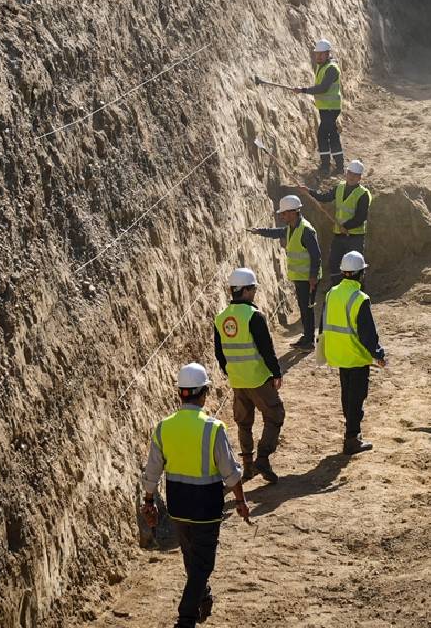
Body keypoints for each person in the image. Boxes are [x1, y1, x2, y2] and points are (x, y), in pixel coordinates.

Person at [141, 363, 251, 628]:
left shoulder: (163, 427)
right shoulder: (214, 429)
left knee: (192, 560)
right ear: (203, 394)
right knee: (202, 566)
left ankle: (203, 596)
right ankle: (186, 618)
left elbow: (152, 470)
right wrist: (241, 501)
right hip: (206, 510)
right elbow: (231, 472)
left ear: (181, 394)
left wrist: (148, 502)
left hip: (178, 507)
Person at [213, 268, 285, 484]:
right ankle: (262, 458)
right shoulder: (254, 316)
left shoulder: (221, 319)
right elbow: (266, 348)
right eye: (253, 288)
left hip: (237, 381)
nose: (254, 292)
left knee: (244, 423)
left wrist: (231, 371)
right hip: (258, 378)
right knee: (275, 414)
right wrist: (276, 372)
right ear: (244, 290)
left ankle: (247, 468)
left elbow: (219, 353)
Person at [320, 251, 386, 454]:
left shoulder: (331, 293)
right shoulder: (359, 298)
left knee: (347, 395)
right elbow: (367, 333)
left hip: (337, 353)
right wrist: (378, 354)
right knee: (356, 397)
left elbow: (323, 322)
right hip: (355, 355)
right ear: (360, 274)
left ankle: (351, 433)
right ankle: (352, 438)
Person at [246, 195, 322, 350]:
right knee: (303, 307)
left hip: (308, 278)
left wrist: (313, 277)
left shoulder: (306, 230)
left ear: (294, 212)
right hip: (301, 277)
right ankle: (307, 337)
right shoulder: (292, 228)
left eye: (284, 213)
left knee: (307, 308)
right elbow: (278, 233)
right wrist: (260, 231)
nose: (282, 216)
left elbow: (316, 255)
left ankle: (309, 341)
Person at [304, 160, 372, 287]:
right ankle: (336, 288)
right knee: (334, 262)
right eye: (350, 173)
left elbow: (361, 217)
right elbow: (325, 197)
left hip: (355, 237)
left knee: (356, 265)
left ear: (360, 177)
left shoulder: (363, 194)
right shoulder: (339, 187)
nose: (352, 176)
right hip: (339, 235)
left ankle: (358, 290)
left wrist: (346, 226)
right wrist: (309, 192)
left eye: (355, 175)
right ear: (346, 173)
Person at [291, 38, 343, 173]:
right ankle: (337, 166)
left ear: (328, 53)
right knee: (331, 135)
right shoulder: (322, 66)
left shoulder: (331, 68)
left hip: (331, 108)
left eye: (321, 54)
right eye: (317, 54)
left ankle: (328, 166)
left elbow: (323, 88)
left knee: (324, 135)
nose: (318, 56)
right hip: (326, 108)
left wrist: (303, 90)